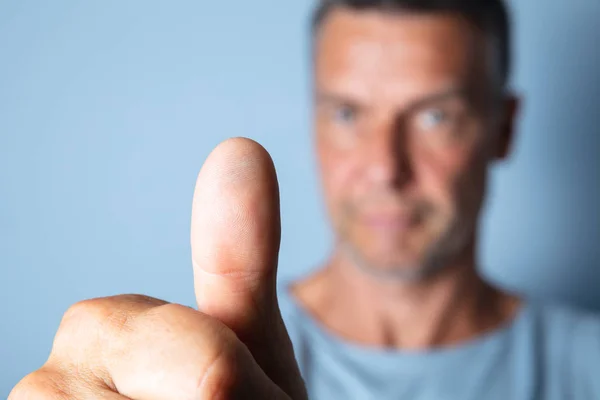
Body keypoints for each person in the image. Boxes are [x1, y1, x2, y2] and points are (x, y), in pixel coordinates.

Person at [9, 0, 600, 399]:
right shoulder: (210, 365)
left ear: (504, 128)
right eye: (348, 113)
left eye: (435, 116)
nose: (384, 167)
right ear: (314, 122)